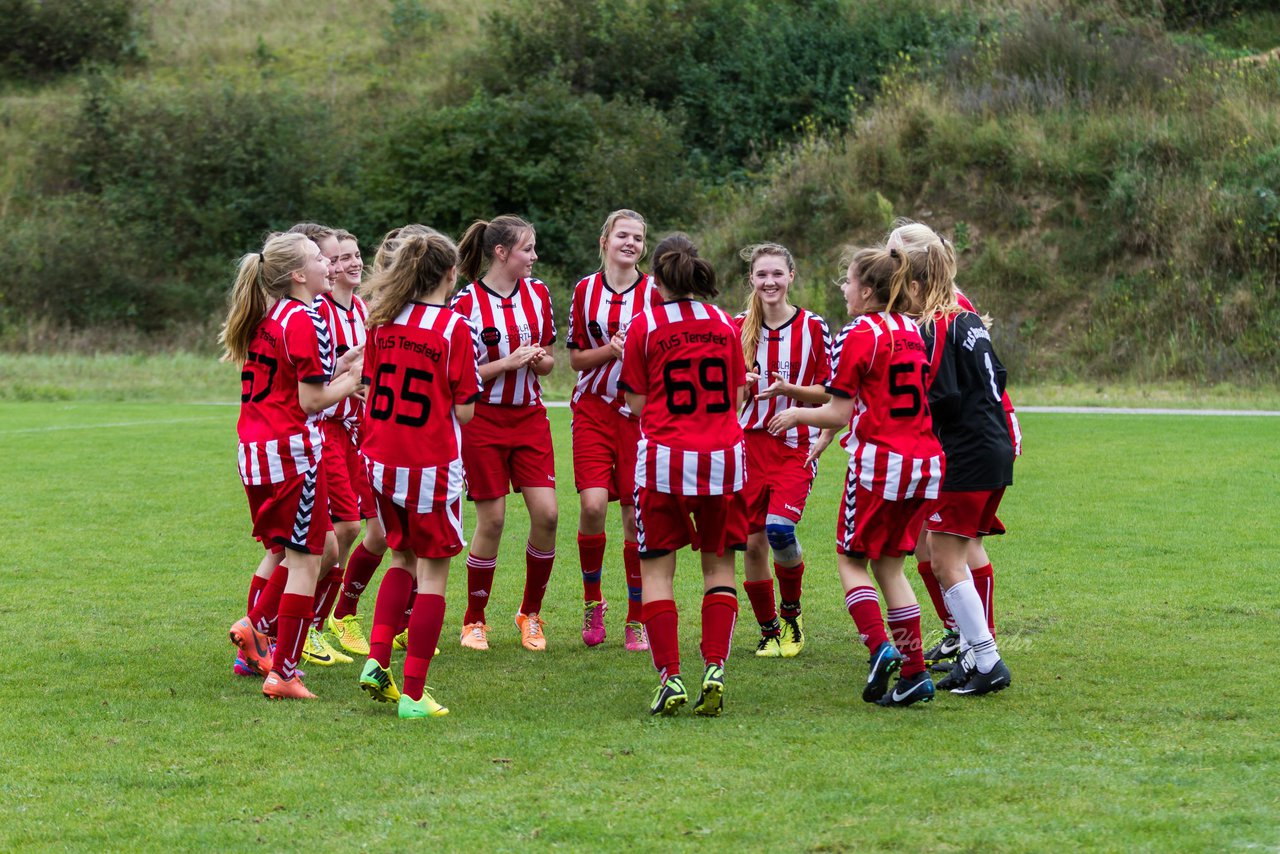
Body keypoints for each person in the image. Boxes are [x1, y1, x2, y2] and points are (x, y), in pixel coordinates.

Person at [769, 246, 942, 707]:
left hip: (880, 465)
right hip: (925, 463)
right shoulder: (912, 330)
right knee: (890, 566)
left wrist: (795, 415)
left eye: (846, 282)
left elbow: (840, 411)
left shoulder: (858, 333)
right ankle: (916, 674)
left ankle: (879, 647)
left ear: (867, 290)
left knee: (851, 561)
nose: (842, 289)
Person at [223, 231, 364, 699]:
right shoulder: (307, 319)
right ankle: (281, 669)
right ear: (300, 275)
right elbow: (312, 399)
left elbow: (299, 379)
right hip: (292, 454)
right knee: (305, 561)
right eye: (319, 259)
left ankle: (258, 626)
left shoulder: (275, 315)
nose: (330, 264)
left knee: (317, 550)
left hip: (259, 452)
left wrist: (347, 365)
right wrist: (356, 380)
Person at [619, 233, 748, 717]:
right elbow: (737, 396)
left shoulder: (645, 325)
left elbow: (634, 402)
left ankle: (670, 677)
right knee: (718, 568)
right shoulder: (723, 322)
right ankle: (714, 667)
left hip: (664, 460)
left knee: (658, 571)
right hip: (722, 458)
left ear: (655, 279)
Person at [355, 231, 480, 719]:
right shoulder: (452, 328)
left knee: (400, 560)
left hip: (380, 460)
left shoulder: (382, 321)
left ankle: (377, 661)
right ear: (451, 274)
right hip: (428, 467)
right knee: (432, 575)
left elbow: (369, 385)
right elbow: (465, 412)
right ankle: (412, 694)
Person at [885, 221, 1019, 665]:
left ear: (914, 272)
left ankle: (980, 648)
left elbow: (942, 394)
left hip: (966, 450)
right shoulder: (960, 313)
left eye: (892, 259)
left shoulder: (940, 317)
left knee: (951, 552)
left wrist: (894, 417)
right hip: (985, 443)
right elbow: (997, 376)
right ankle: (965, 637)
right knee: (934, 544)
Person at [330, 225, 443, 653]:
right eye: (342, 257)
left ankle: (387, 622)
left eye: (356, 254)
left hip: (372, 435)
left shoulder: (369, 311)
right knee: (371, 537)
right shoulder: (346, 314)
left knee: (394, 540)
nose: (352, 262)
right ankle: (337, 617)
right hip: (356, 438)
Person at [450, 215, 558, 652]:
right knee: (491, 520)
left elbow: (550, 359)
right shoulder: (464, 303)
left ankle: (530, 614)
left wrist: (538, 362)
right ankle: (474, 620)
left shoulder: (539, 293)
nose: (534, 257)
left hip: (529, 418)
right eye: (527, 249)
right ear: (501, 253)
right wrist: (505, 364)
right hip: (484, 421)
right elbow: (459, 375)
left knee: (548, 515)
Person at [566, 210, 661, 651]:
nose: (630, 243)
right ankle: (592, 600)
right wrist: (611, 350)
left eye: (637, 238)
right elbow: (576, 361)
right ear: (604, 240)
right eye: (622, 235)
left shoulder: (655, 293)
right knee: (593, 505)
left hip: (639, 416)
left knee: (634, 518)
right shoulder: (585, 290)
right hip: (593, 411)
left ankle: (636, 618)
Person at [734, 243, 831, 658]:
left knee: (779, 531)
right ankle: (768, 628)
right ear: (752, 280)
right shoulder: (736, 326)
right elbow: (727, 394)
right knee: (752, 543)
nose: (769, 282)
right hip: (746, 448)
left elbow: (831, 390)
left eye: (777, 274)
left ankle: (792, 615)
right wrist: (744, 384)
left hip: (795, 446)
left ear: (791, 276)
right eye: (761, 275)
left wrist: (789, 392)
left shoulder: (812, 326)